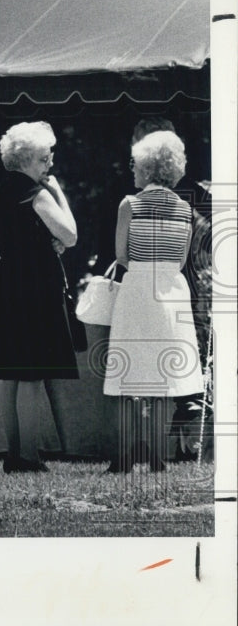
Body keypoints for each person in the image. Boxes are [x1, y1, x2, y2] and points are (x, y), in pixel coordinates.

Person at [103, 130, 204, 473]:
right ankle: (159, 458)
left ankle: (123, 458)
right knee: (162, 381)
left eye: (135, 164)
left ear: (147, 168)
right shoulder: (186, 209)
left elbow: (121, 255)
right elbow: (181, 260)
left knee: (128, 377)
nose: (132, 169)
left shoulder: (129, 204)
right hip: (172, 292)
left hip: (138, 291)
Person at [0, 122, 79, 473]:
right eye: (44, 158)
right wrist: (59, 193)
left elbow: (27, 235)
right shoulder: (36, 193)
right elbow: (70, 235)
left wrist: (47, 240)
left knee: (10, 373)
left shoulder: (1, 191)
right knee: (31, 372)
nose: (50, 164)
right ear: (27, 159)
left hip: (10, 282)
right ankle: (29, 456)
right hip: (36, 285)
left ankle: (14, 453)